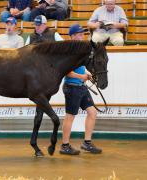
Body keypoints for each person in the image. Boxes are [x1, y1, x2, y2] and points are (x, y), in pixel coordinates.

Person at [60, 24, 102, 155]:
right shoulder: (68, 51)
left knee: (92, 113)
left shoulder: (81, 50)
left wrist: (87, 73)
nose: (82, 36)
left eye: (82, 33)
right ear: (72, 36)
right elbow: (66, 71)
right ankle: (64, 146)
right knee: (70, 116)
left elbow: (81, 68)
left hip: (81, 87)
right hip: (72, 87)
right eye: (79, 34)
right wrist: (81, 76)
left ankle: (87, 143)